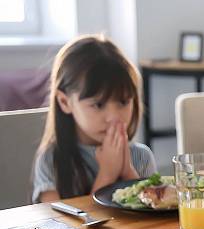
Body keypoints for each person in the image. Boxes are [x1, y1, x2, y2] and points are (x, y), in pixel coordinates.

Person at [33, 35, 156, 203]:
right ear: (64, 102)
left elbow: (150, 221)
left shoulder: (141, 156)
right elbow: (57, 225)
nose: (114, 117)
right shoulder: (51, 160)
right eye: (98, 105)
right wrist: (107, 174)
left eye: (123, 102)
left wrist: (127, 172)